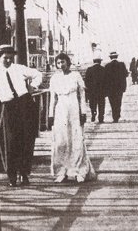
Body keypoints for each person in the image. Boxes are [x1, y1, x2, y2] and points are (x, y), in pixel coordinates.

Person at [0, 44, 42, 187]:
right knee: (12, 141)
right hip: (10, 106)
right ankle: (12, 176)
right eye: (5, 58)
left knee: (27, 140)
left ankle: (24, 174)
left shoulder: (19, 68)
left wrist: (33, 86)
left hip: (25, 103)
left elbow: (37, 74)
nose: (8, 61)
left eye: (11, 58)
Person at [49, 52, 96, 183]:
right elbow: (53, 98)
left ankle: (79, 170)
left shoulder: (75, 76)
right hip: (60, 110)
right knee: (61, 141)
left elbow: (82, 96)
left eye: (62, 62)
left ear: (67, 62)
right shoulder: (54, 79)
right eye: (58, 63)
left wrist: (83, 112)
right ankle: (61, 171)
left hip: (74, 109)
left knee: (76, 140)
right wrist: (50, 115)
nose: (60, 65)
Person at [104, 51, 129, 122]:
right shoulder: (121, 64)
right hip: (119, 87)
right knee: (118, 101)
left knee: (112, 102)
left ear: (110, 57)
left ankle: (114, 116)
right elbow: (126, 74)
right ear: (117, 57)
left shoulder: (107, 66)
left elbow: (105, 78)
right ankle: (117, 115)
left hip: (110, 88)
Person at [84, 57, 106, 123]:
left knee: (92, 103)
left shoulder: (89, 69)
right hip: (101, 91)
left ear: (94, 62)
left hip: (92, 91)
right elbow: (106, 81)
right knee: (101, 104)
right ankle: (101, 117)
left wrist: (88, 89)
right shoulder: (103, 69)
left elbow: (86, 80)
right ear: (100, 62)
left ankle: (93, 112)